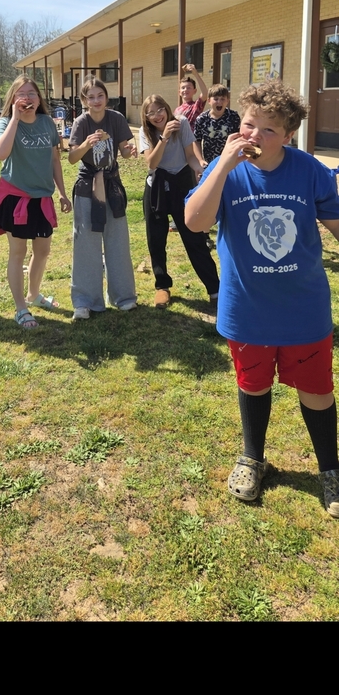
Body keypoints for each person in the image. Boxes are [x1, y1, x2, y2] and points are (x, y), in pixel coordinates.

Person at [185, 80, 339, 518]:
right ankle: (253, 457)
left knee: (316, 390)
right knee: (253, 384)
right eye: (250, 125)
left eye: (268, 131)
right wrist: (221, 166)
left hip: (303, 308)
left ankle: (330, 469)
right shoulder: (225, 167)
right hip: (246, 308)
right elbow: (195, 223)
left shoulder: (309, 170)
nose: (254, 137)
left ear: (289, 135)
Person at [0, 76, 71, 330]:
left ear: (39, 98)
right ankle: (21, 309)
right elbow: (0, 153)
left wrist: (62, 192)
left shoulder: (47, 122)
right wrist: (14, 118)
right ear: (13, 99)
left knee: (43, 251)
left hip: (42, 198)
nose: (27, 98)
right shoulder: (4, 122)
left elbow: (55, 159)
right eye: (21, 94)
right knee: (18, 252)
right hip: (16, 197)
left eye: (32, 93)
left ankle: (34, 295)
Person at [139, 95, 219, 309]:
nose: (157, 115)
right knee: (156, 239)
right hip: (156, 186)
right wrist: (164, 137)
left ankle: (215, 290)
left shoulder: (182, 123)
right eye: (151, 113)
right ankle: (162, 287)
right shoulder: (145, 132)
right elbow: (152, 163)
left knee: (194, 237)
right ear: (146, 117)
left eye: (159, 110)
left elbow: (190, 156)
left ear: (167, 108)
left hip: (182, 182)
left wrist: (199, 167)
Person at [68, 77, 137, 320]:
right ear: (84, 100)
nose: (96, 101)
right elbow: (72, 158)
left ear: (106, 97)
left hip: (112, 185)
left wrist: (129, 151)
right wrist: (87, 143)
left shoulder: (116, 118)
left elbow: (125, 152)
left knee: (117, 239)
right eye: (90, 97)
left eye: (100, 96)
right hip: (88, 186)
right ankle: (85, 301)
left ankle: (123, 296)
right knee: (86, 243)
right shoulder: (80, 122)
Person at [192, 85, 241, 167]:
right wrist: (200, 160)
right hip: (209, 163)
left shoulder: (233, 116)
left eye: (222, 99)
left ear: (227, 101)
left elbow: (239, 137)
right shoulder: (202, 119)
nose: (219, 102)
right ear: (209, 101)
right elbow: (196, 141)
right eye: (216, 99)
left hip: (230, 161)